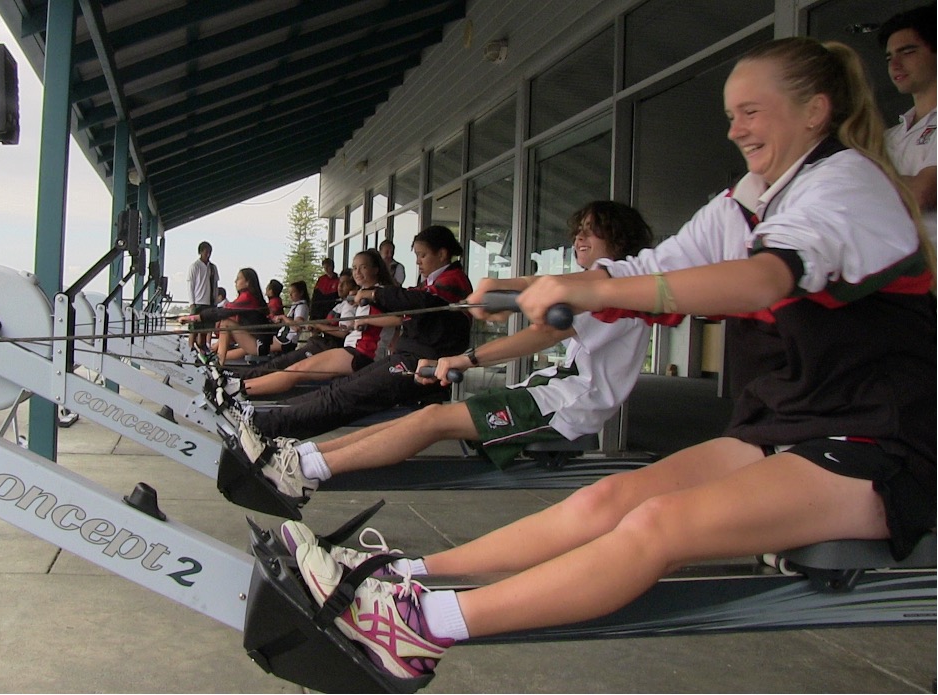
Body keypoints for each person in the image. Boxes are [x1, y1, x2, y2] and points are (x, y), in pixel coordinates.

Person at [283, 37, 935, 681]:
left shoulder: (847, 183)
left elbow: (763, 279)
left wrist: (589, 286)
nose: (734, 129)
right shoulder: (749, 199)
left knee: (658, 523)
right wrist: (519, 290)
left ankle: (420, 627)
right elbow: (654, 269)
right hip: (791, 421)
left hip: (879, 442)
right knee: (611, 498)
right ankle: (404, 576)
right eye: (730, 113)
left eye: (750, 111)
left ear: (814, 111)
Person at [254, 202, 655, 503]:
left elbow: (541, 332)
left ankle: (302, 468)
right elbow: (546, 326)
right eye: (578, 231)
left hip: (569, 407)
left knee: (432, 422)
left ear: (618, 240)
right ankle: (302, 455)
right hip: (553, 392)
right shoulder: (604, 285)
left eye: (592, 232)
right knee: (428, 417)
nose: (579, 239)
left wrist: (470, 349)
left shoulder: (613, 281)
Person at [242, 225, 473, 441]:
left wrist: (374, 296)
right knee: (335, 390)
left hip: (417, 362)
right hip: (407, 356)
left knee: (342, 396)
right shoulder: (435, 282)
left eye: (423, 255)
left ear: (442, 254)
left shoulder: (453, 281)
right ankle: (262, 415)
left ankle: (265, 423)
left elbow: (414, 303)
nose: (418, 262)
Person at [239, 251, 397, 397]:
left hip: (362, 354)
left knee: (297, 370)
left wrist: (365, 320)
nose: (357, 272)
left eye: (363, 267)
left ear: (376, 269)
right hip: (351, 349)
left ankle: (240, 387)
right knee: (295, 369)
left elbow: (399, 318)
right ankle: (241, 385)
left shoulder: (381, 294)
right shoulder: (362, 294)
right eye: (354, 268)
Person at [880, 6, 936, 247]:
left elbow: (922, 193)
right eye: (889, 57)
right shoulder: (888, 137)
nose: (895, 64)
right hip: (899, 277)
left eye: (908, 52)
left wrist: (860, 183)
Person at [184, 267, 271, 363]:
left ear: (247, 282)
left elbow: (222, 312)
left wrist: (194, 318)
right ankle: (216, 356)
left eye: (238, 278)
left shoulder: (247, 297)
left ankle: (219, 361)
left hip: (259, 345)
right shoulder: (249, 297)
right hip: (258, 343)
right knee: (229, 322)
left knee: (226, 323)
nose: (235, 281)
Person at [187, 241, 220, 351]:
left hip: (210, 302)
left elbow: (215, 284)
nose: (208, 254)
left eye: (210, 252)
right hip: (197, 301)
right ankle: (190, 346)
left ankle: (202, 346)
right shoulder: (195, 266)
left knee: (206, 328)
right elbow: (190, 285)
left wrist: (215, 300)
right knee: (194, 327)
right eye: (206, 252)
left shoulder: (213, 267)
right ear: (201, 252)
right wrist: (192, 302)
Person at [267, 280, 312, 354]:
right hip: (283, 337)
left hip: (286, 339)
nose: (290, 295)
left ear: (301, 293)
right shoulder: (296, 305)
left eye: (293, 292)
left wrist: (283, 317)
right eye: (289, 293)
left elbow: (297, 326)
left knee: (259, 347)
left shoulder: (301, 307)